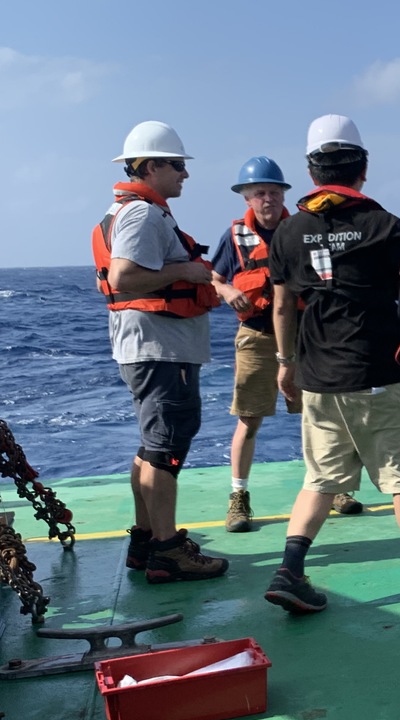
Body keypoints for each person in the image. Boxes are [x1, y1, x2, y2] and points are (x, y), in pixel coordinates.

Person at [262, 114, 400, 614]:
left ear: (312, 171)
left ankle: (290, 570)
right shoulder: (386, 227)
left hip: (318, 377)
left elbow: (281, 307)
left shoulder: (289, 231)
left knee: (319, 478)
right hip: (378, 373)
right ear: (362, 167)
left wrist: (284, 363)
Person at [92, 121, 229, 584]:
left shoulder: (129, 212)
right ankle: (168, 551)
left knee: (151, 447)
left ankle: (147, 539)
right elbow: (123, 276)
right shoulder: (143, 215)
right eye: (177, 165)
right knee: (166, 448)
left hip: (146, 348)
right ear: (151, 166)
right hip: (159, 350)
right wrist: (189, 271)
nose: (184, 175)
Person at [212, 157, 365, 533]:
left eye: (275, 192)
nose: (268, 200)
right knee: (249, 418)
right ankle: (239, 498)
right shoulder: (233, 236)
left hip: (305, 335)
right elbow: (214, 278)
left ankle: (336, 487)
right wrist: (229, 290)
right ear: (246, 198)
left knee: (319, 413)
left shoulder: (301, 230)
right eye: (260, 193)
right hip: (257, 337)